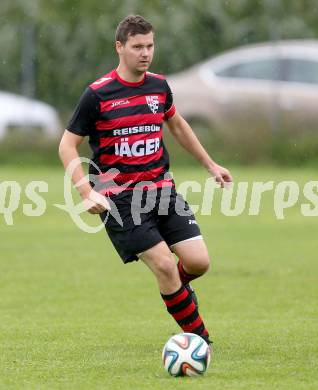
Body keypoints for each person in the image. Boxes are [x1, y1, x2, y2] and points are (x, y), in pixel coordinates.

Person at [59, 15, 232, 347]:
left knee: (198, 262)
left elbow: (178, 125)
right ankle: (198, 342)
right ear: (119, 47)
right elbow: (67, 145)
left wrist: (210, 164)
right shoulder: (97, 94)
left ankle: (177, 294)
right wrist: (86, 191)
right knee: (165, 266)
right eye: (137, 46)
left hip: (161, 189)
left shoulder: (158, 86)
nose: (145, 53)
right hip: (120, 199)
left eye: (150, 45)